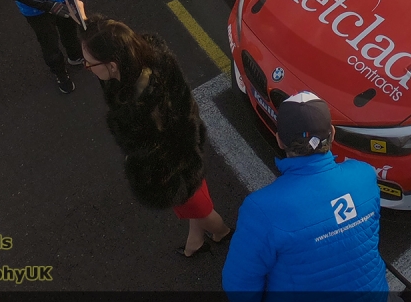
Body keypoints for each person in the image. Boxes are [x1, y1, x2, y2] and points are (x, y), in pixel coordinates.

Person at [81, 17, 231, 258]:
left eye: (89, 64)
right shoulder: (148, 56)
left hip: (172, 170)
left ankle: (222, 232)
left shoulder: (137, 109)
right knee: (196, 196)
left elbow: (141, 148)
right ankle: (196, 240)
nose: (87, 68)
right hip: (188, 150)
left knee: (197, 206)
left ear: (112, 66)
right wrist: (83, 19)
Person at [221, 90, 389, 298]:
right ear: (333, 133)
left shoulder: (261, 209)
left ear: (280, 140)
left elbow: (239, 288)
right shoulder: (364, 175)